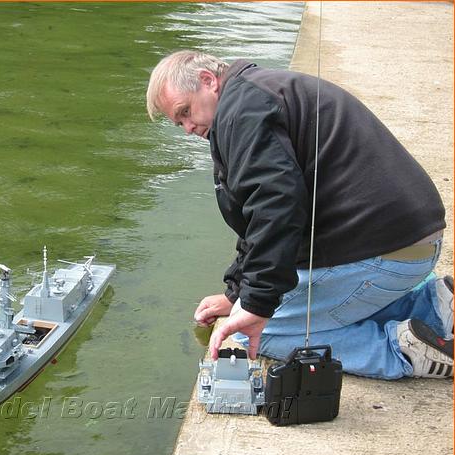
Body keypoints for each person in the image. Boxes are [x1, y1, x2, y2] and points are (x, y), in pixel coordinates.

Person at [146, 50, 453, 379]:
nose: (188, 128)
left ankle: (400, 349)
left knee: (251, 333)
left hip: (386, 251)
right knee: (254, 309)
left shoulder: (242, 110)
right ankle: (434, 306)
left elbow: (275, 206)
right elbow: (258, 216)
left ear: (208, 82)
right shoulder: (255, 92)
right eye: (179, 123)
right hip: (409, 237)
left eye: (185, 112)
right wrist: (237, 293)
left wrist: (255, 305)